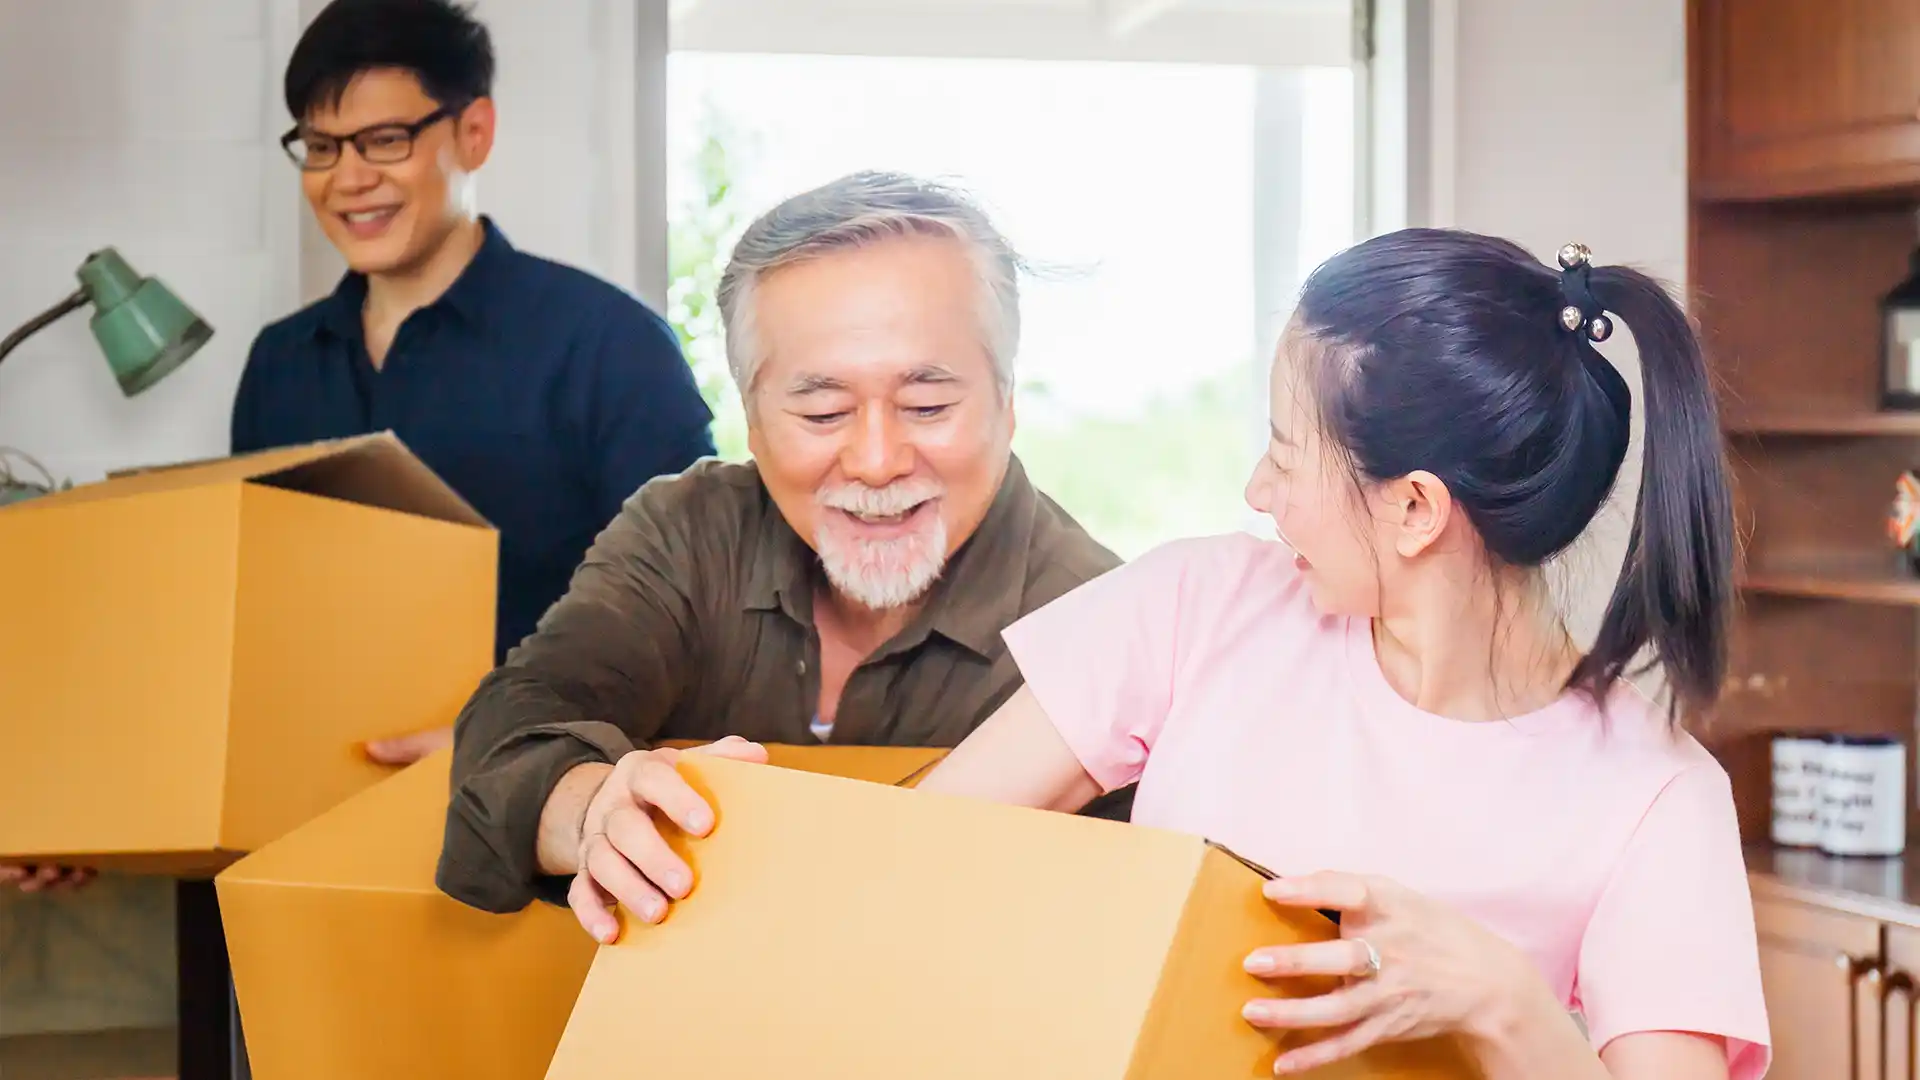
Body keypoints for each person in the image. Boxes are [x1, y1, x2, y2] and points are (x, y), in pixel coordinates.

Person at [612, 231, 1772, 1079]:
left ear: (1414, 510)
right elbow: (921, 853)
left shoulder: (1654, 799)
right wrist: (725, 829)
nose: (1256, 493)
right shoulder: (1202, 605)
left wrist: (1502, 1002)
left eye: (1284, 452)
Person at [436, 171, 1129, 934]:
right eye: (822, 410)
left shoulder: (1102, 626)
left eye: (927, 406)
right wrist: (591, 805)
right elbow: (522, 713)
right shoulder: (686, 532)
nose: (875, 459)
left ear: (1006, 403)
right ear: (753, 422)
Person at [234, 0, 715, 740]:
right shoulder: (279, 363)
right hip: (294, 799)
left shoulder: (608, 345)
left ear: (474, 132)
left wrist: (497, 745)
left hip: (528, 814)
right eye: (323, 147)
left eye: (384, 141)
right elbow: (249, 609)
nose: (348, 178)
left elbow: (697, 618)